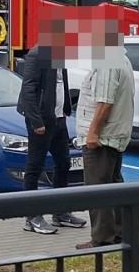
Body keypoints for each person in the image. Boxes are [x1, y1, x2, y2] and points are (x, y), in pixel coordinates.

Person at [16, 14, 86, 234]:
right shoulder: (36, 55)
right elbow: (28, 89)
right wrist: (36, 121)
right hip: (40, 121)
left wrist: (65, 111)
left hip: (58, 120)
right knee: (34, 167)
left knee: (63, 163)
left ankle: (60, 212)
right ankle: (32, 216)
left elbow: (61, 84)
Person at [75, 13, 136, 250]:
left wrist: (92, 133)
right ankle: (119, 233)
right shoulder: (122, 59)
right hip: (114, 135)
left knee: (97, 187)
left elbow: (105, 101)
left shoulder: (107, 62)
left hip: (103, 138)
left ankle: (101, 238)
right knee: (113, 184)